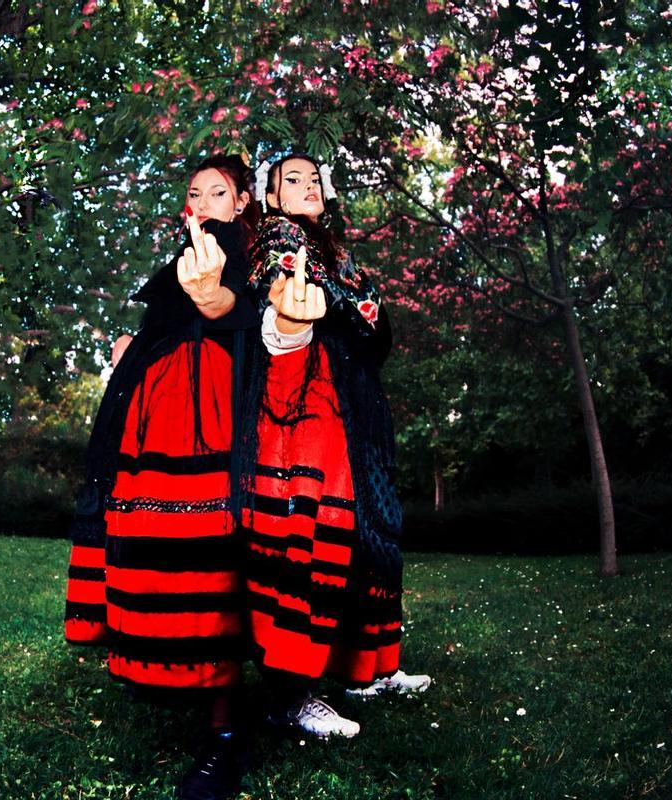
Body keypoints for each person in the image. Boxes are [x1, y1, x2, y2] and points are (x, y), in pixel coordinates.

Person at [63, 155, 260, 800]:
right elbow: (166, 321)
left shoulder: (258, 256)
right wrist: (134, 346)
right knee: (158, 542)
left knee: (217, 553)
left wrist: (213, 299)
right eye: (195, 192)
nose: (205, 201)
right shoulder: (179, 260)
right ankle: (176, 677)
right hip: (156, 421)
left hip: (221, 419)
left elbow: (243, 316)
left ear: (242, 201)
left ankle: (225, 733)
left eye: (219, 191)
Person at [240, 154, 432, 740]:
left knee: (372, 529)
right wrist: (298, 302)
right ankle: (294, 695)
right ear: (269, 196)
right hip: (308, 401)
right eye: (291, 179)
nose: (307, 186)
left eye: (314, 178)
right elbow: (279, 289)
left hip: (357, 399)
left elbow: (375, 330)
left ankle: (366, 668)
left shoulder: (339, 251)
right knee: (315, 532)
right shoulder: (280, 235)